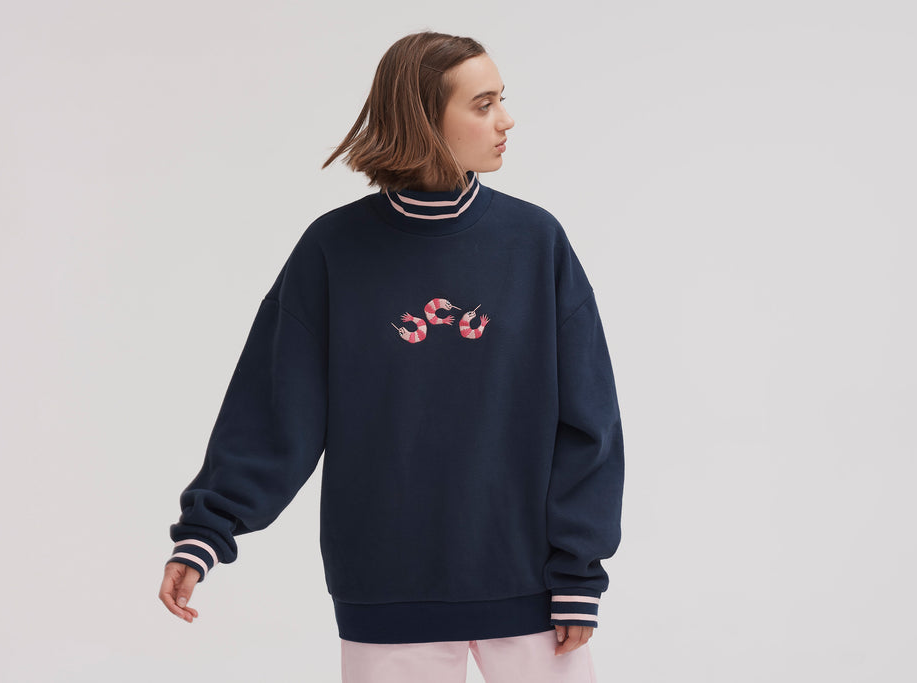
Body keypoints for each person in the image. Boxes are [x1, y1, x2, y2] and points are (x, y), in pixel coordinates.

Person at [158, 30, 624, 683]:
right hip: (386, 586)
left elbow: (590, 422)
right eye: (483, 104)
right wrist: (205, 532)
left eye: (502, 99)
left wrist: (578, 570)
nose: (506, 120)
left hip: (534, 587)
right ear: (425, 119)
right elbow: (274, 409)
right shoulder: (333, 250)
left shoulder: (536, 243)